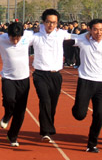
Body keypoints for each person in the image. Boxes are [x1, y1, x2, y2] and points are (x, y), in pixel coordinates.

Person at [71, 19, 102, 153]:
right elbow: (65, 37)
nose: (98, 32)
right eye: (95, 29)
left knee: (99, 115)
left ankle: (92, 144)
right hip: (85, 81)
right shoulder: (81, 39)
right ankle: (76, 108)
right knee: (79, 114)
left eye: (101, 30)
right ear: (90, 29)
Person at [31, 9, 75, 142]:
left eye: (54, 23)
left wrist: (90, 34)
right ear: (43, 22)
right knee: (45, 101)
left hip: (56, 75)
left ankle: (48, 127)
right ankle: (45, 131)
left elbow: (79, 38)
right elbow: (18, 38)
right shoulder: (35, 36)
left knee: (52, 104)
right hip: (40, 74)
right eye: (48, 22)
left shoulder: (61, 34)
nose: (51, 25)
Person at [0, 22, 35, 147]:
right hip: (8, 77)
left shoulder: (28, 36)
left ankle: (13, 136)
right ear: (8, 35)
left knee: (20, 111)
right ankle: (7, 115)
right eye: (12, 38)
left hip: (24, 79)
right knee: (9, 100)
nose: (15, 41)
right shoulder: (1, 38)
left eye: (18, 38)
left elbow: (41, 32)